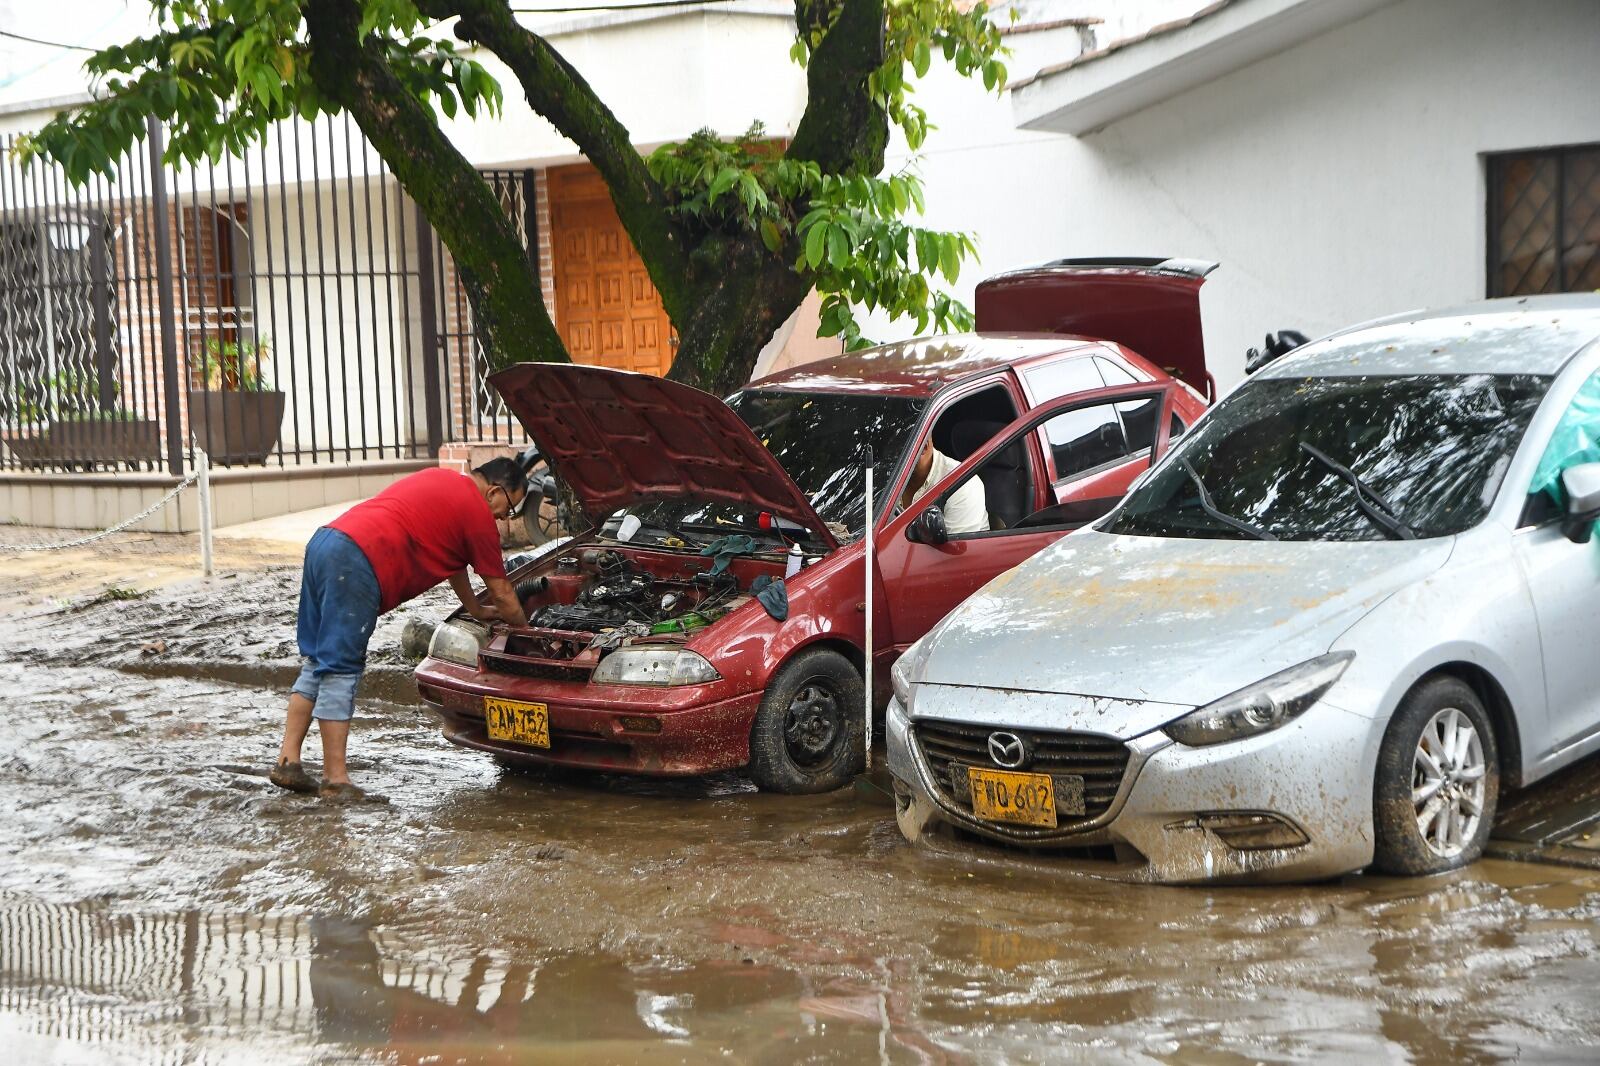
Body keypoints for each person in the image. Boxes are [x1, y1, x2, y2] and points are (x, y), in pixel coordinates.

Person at [270, 459, 532, 799]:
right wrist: (528, 632)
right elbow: (503, 592)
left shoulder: (443, 481)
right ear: (494, 491)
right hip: (357, 558)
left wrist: (475, 609)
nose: (504, 518)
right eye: (508, 508)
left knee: (318, 660)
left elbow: (454, 563)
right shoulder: (478, 514)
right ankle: (335, 780)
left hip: (326, 543)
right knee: (340, 668)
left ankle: (288, 761)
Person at [901, 438, 989, 534]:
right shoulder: (894, 477)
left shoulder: (963, 484)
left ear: (924, 447)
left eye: (894, 450)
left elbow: (957, 543)